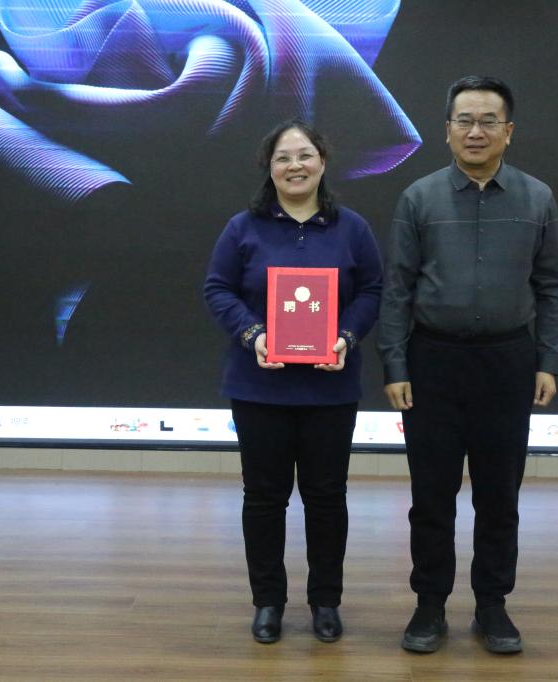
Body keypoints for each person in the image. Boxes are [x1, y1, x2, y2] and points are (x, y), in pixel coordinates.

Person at [378, 76, 558, 654]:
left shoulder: (537, 198)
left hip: (508, 362)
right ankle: (429, 605)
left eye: (489, 121)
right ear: (447, 131)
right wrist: (394, 364)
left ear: (509, 131)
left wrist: (548, 358)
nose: (476, 131)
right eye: (464, 120)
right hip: (432, 363)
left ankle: (492, 605)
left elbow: (553, 286)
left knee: (499, 496)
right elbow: (397, 290)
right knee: (431, 496)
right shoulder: (418, 198)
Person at [204, 119, 383, 644]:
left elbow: (372, 291)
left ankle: (325, 601)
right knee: (264, 498)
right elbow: (217, 289)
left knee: (327, 498)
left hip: (331, 389)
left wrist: (345, 336)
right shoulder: (243, 228)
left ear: (322, 162)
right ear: (270, 168)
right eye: (283, 157)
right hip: (259, 388)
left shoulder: (352, 228)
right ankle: (268, 602)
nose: (295, 165)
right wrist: (253, 334)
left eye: (304, 155)